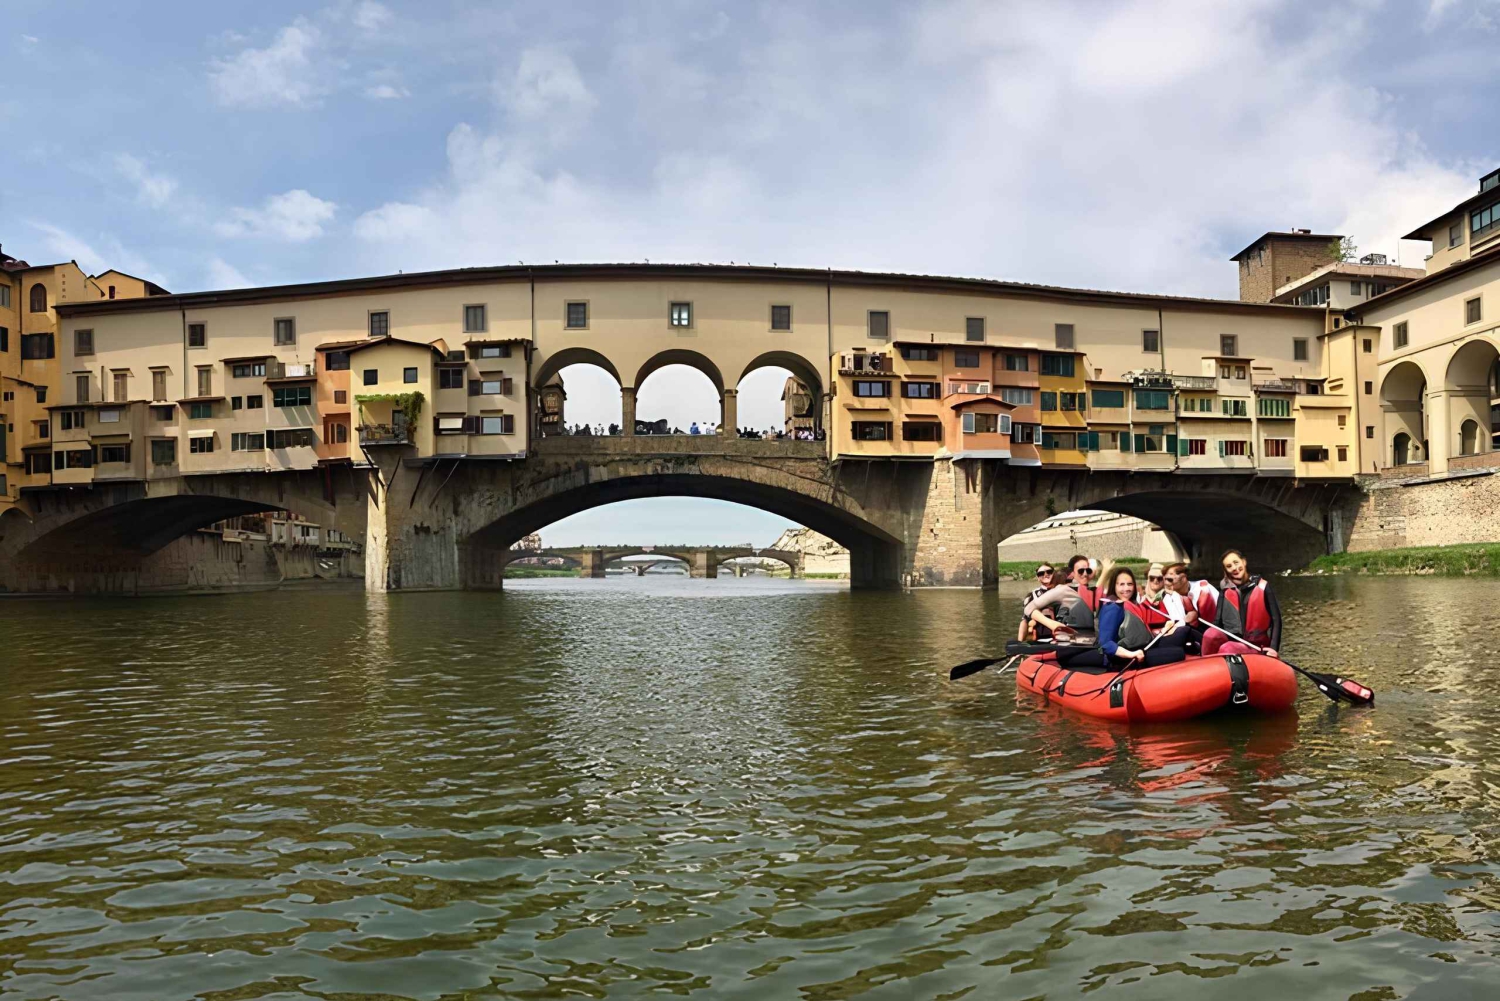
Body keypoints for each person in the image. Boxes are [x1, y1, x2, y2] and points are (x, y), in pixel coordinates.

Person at [1058, 565, 1189, 669]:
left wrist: (1163, 631)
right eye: (1121, 584)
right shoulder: (1112, 607)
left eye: (1129, 584)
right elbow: (1106, 644)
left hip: (1142, 647)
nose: (1126, 589)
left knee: (1184, 632)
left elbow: (1139, 632)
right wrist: (1131, 654)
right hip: (1124, 657)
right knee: (1178, 652)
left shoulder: (1133, 605)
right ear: (1114, 586)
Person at [1203, 549, 1282, 658]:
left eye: (1236, 562)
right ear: (1226, 570)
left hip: (1256, 646)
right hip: (1232, 641)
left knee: (1227, 647)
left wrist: (1273, 648)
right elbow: (1217, 623)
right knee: (1210, 634)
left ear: (1244, 562)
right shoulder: (1225, 591)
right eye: (1229, 566)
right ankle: (1206, 662)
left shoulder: (1263, 587)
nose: (1234, 568)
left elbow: (1276, 620)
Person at [1022, 554, 1099, 642]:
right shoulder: (1062, 590)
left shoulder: (1092, 591)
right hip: (1072, 640)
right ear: (1072, 574)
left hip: (1088, 639)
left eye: (1088, 571)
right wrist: (1053, 624)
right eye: (1081, 571)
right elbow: (1027, 611)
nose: (1085, 574)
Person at [1018, 563, 1061, 642]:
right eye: (1041, 573)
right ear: (1038, 578)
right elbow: (1024, 620)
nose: (1045, 575)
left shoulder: (1063, 590)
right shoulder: (1032, 596)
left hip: (1061, 638)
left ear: (1054, 574)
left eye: (1049, 572)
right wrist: (1019, 642)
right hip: (1040, 639)